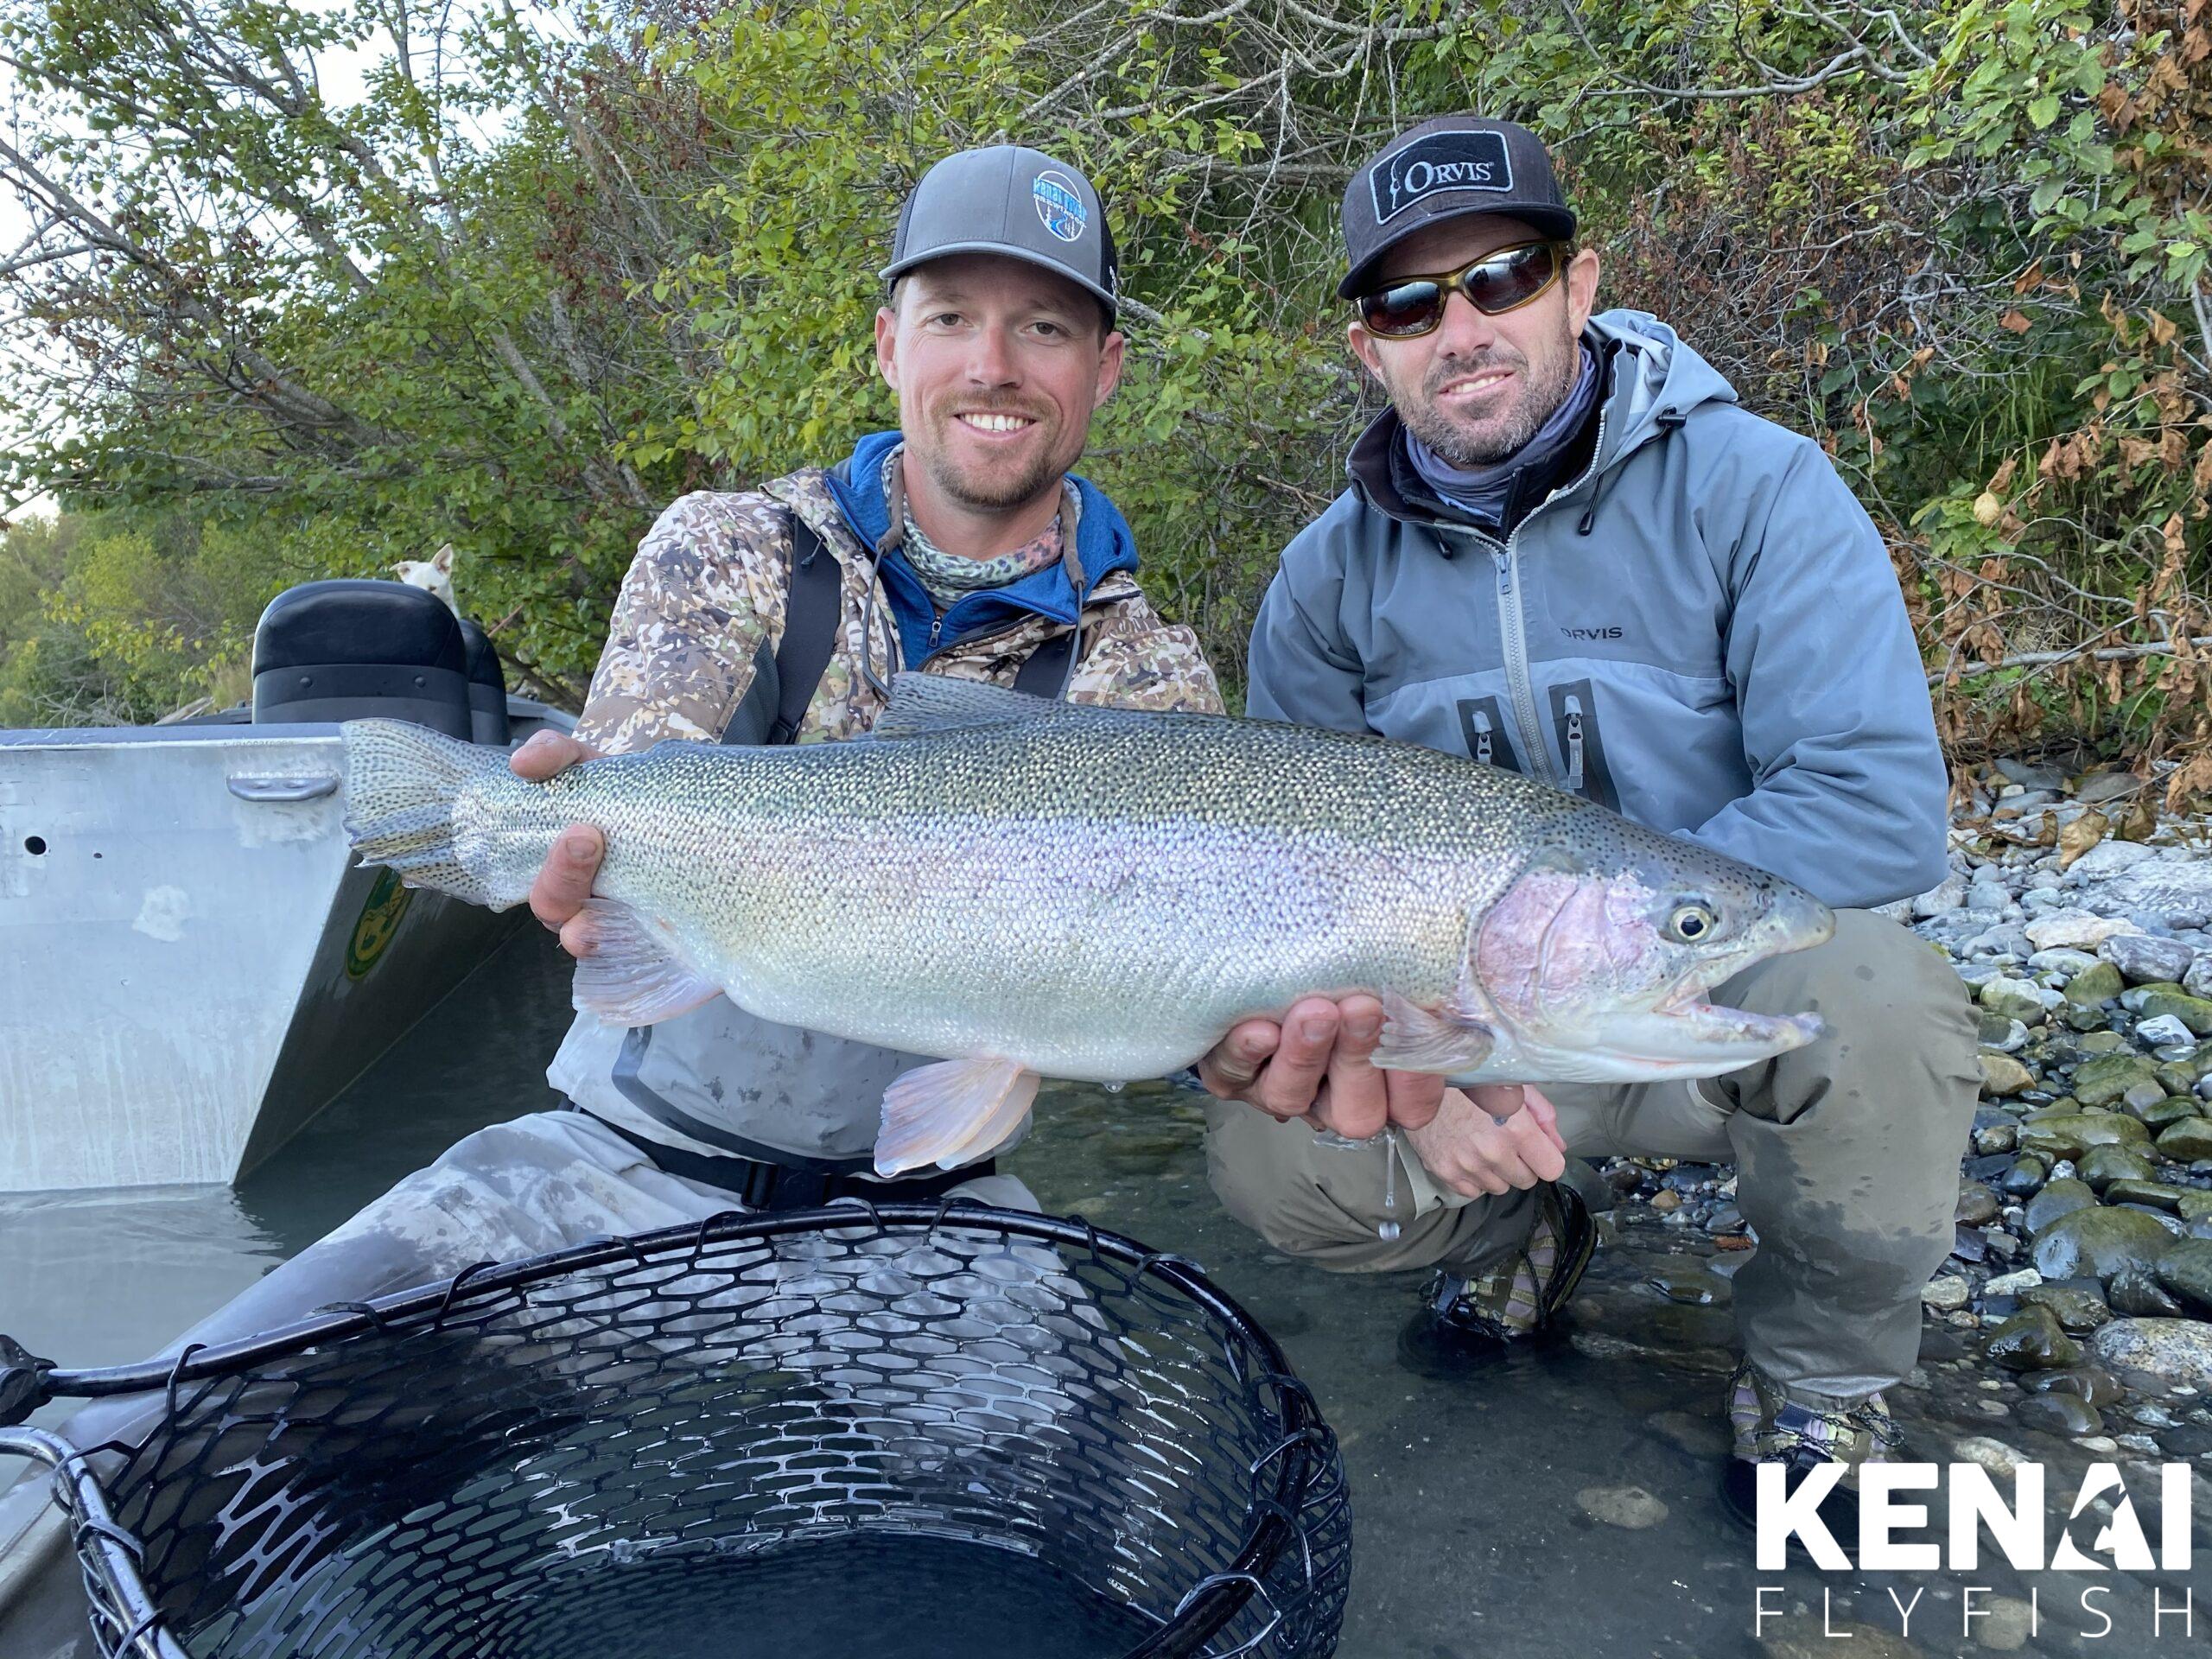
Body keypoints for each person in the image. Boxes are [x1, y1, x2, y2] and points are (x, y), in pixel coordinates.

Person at [86, 143, 1225, 1378]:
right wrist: (550, 854)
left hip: (937, 1205)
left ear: (1103, 368)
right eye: (952, 317)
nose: (993, 365)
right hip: (623, 1159)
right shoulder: (728, 546)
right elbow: (634, 797)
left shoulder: (1149, 680)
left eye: (1044, 326)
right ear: (892, 344)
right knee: (215, 1407)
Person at [1197, 115, 1980, 1529]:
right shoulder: (1322, 585)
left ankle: (1822, 1378)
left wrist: (1620, 934)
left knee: (1886, 1002)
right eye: (1410, 302)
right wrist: (1432, 1086)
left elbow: (1874, 807)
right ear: (1367, 345)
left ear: (1582, 283)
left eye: (1503, 276)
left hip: (1707, 1009)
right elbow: (1287, 901)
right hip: (1468, 1038)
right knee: (1269, 1145)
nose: (1463, 326)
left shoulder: (1760, 491)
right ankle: (1521, 1224)